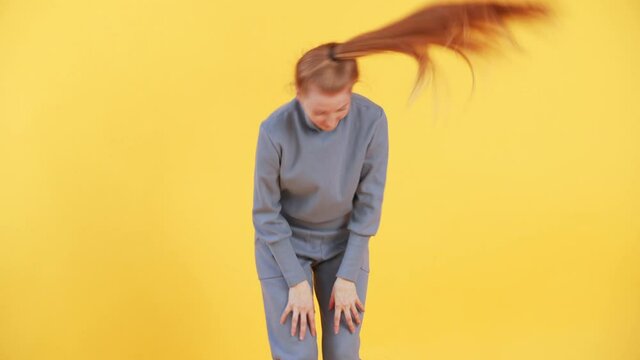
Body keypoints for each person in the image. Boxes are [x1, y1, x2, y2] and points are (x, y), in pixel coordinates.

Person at [252, 1, 553, 359]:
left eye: (341, 110)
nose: (331, 122)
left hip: (344, 245)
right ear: (299, 93)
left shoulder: (372, 121)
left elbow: (368, 204)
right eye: (320, 113)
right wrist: (295, 281)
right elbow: (267, 214)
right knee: (296, 351)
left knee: (344, 350)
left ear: (352, 91)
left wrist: (348, 276)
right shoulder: (274, 131)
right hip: (285, 247)